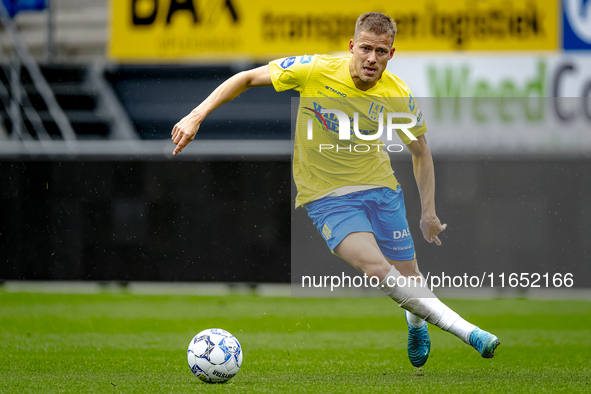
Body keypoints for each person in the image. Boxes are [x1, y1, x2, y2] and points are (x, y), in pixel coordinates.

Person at [171, 12, 500, 368]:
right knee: (376, 269)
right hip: (327, 198)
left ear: (392, 53)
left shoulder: (398, 95)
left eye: (381, 51)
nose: (372, 58)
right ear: (352, 47)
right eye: (366, 49)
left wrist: (429, 212)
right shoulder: (315, 69)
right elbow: (247, 77)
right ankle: (470, 332)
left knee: (410, 277)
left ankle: (416, 322)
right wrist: (196, 115)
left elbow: (420, 151)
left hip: (380, 189)